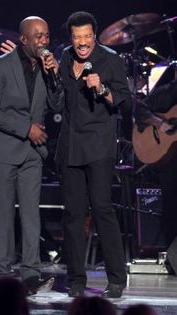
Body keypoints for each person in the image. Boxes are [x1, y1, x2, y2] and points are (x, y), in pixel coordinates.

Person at [0, 16, 64, 295]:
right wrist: (26, 128)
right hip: (3, 149)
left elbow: (57, 106)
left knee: (31, 215)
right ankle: (3, 274)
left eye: (47, 36)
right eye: (38, 36)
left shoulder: (47, 68)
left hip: (32, 153)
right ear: (23, 39)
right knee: (4, 215)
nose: (44, 41)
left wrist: (55, 75)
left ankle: (31, 274)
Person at [55, 11, 131, 298]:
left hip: (99, 144)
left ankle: (116, 279)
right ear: (71, 38)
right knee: (73, 215)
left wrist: (101, 88)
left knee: (102, 208)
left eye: (87, 36)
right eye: (77, 37)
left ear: (94, 35)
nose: (82, 42)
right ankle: (75, 279)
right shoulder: (64, 57)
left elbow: (124, 103)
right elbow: (59, 97)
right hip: (70, 146)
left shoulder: (110, 58)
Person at [135, 79, 177, 248]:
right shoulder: (169, 91)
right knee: (172, 202)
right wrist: (160, 123)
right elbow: (139, 108)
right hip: (170, 160)